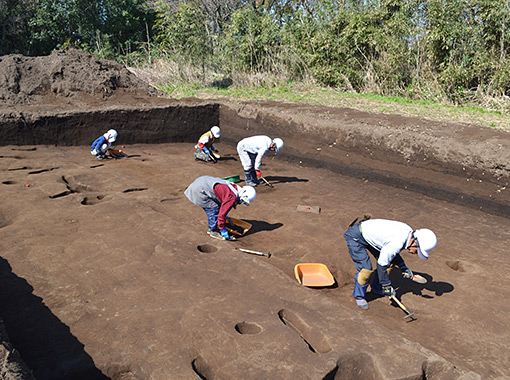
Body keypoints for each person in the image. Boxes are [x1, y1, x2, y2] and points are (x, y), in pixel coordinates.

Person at [343, 216, 437, 310]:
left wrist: (403, 267)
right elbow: (382, 263)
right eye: (417, 250)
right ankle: (359, 296)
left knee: (390, 264)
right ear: (415, 241)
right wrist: (386, 286)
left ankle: (377, 288)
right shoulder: (397, 242)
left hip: (370, 236)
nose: (415, 253)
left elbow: (392, 255)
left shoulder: (408, 233)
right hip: (356, 236)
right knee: (366, 270)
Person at [184, 176, 256, 241]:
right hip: (199, 190)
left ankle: (216, 225)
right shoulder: (232, 198)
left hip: (202, 181)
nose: (241, 203)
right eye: (243, 202)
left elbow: (222, 198)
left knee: (218, 209)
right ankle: (212, 231)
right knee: (214, 210)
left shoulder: (235, 187)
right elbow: (221, 215)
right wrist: (223, 229)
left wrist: (225, 214)